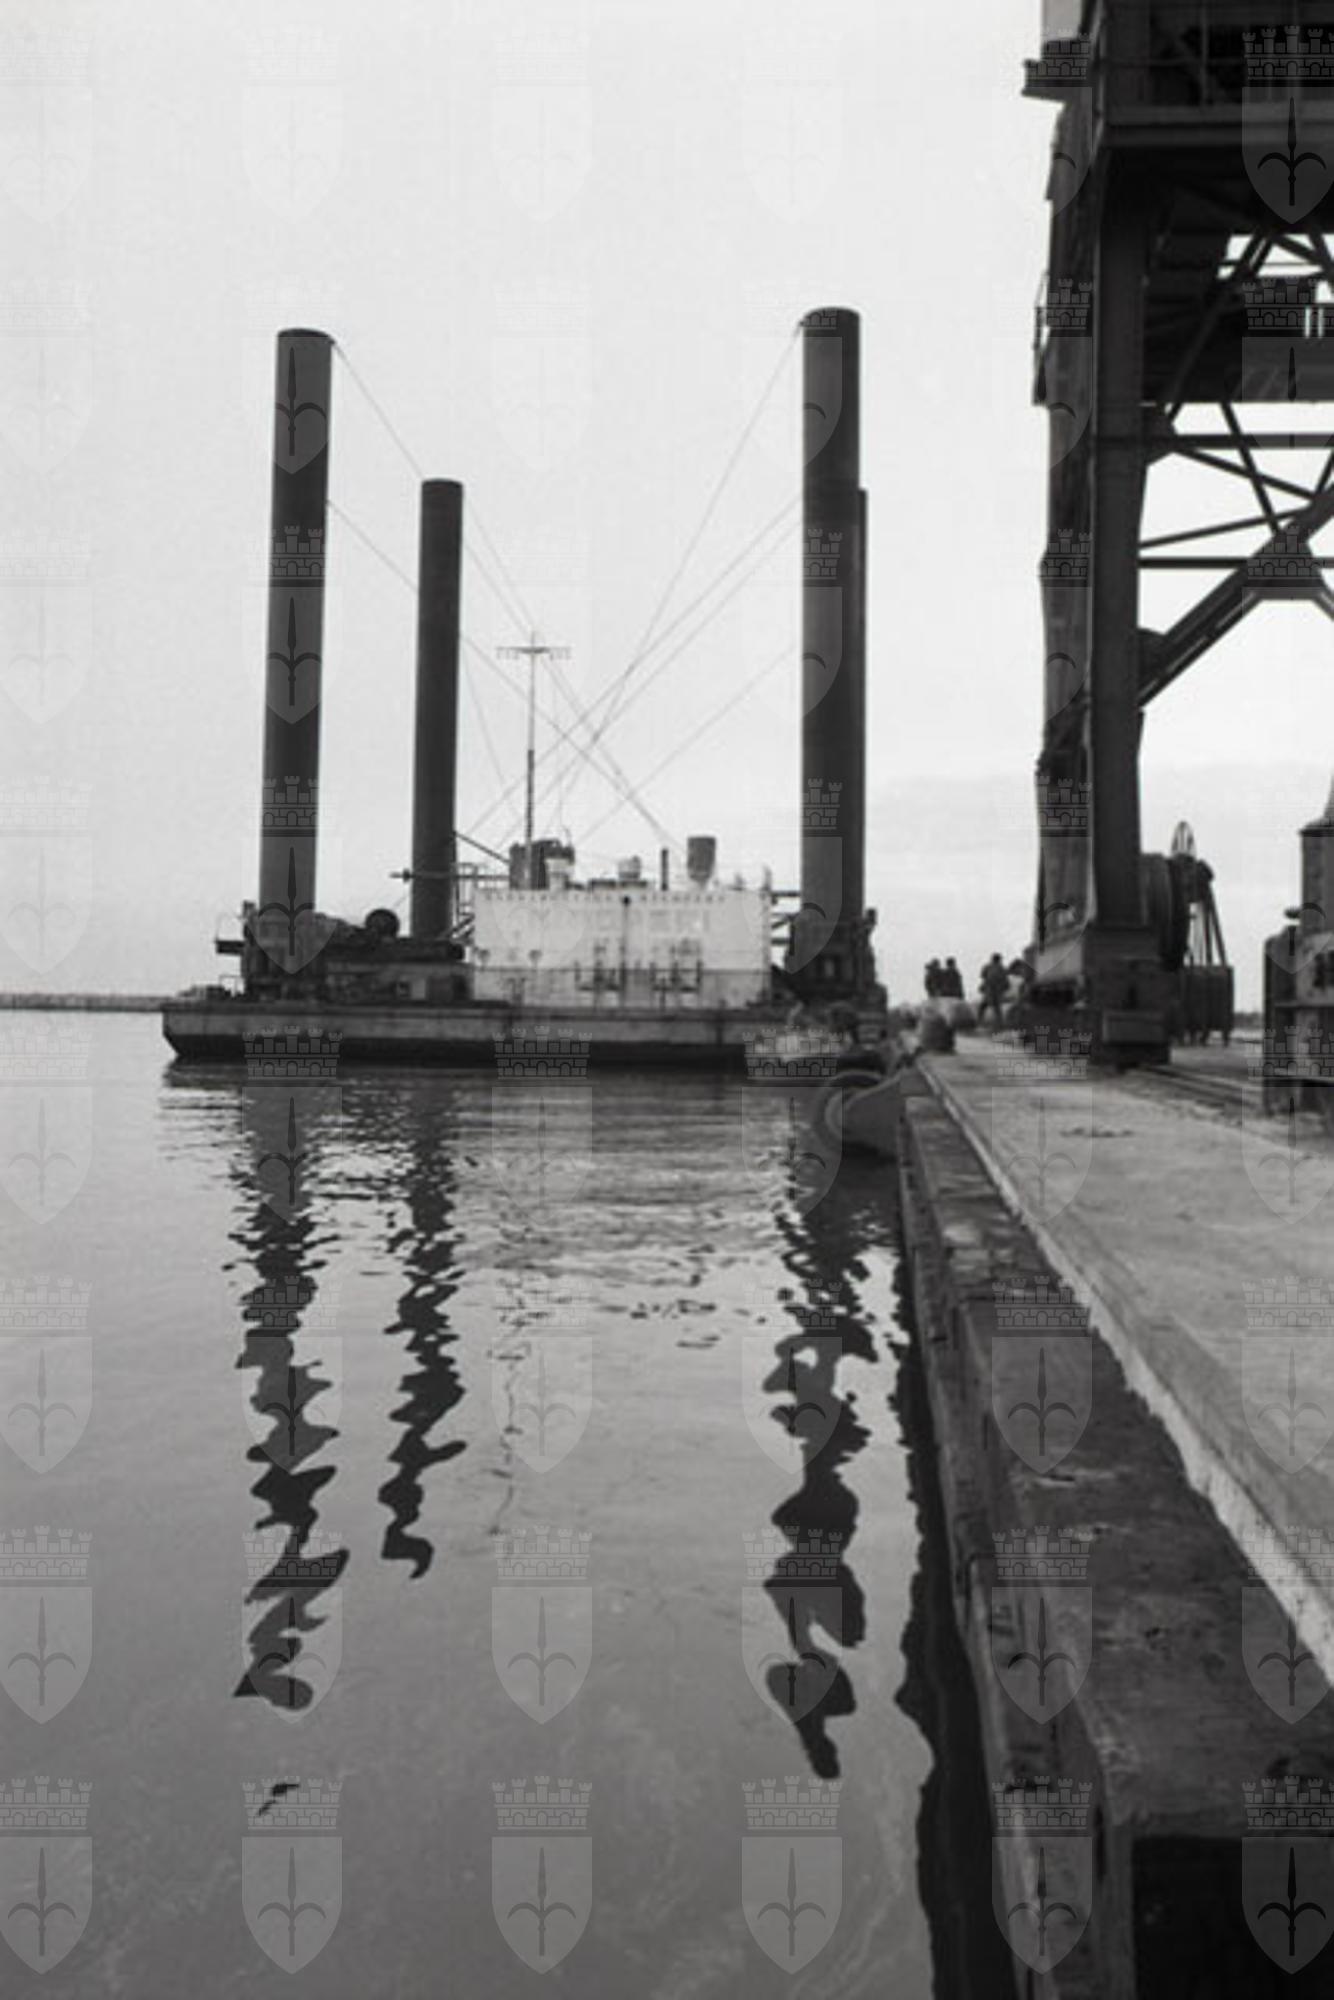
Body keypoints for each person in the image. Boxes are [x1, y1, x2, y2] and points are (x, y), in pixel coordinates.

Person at [978, 952, 1009, 1029]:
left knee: (984, 1007)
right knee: (996, 1008)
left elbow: (983, 976)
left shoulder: (988, 967)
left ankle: (980, 1021)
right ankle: (1000, 1023)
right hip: (996, 991)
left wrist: (983, 987)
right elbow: (1005, 981)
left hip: (990, 990)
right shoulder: (1001, 968)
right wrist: (1004, 988)